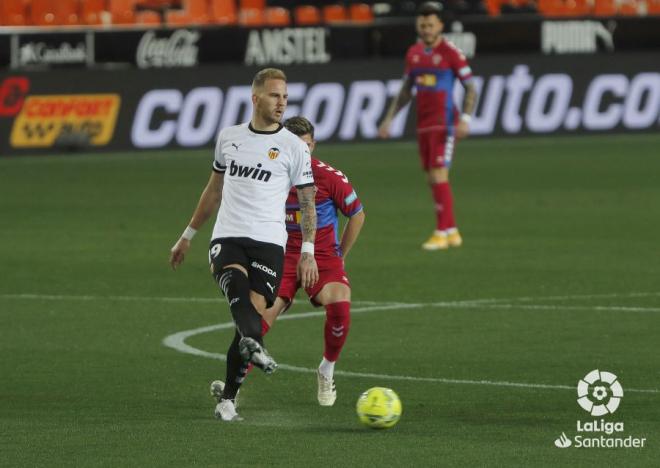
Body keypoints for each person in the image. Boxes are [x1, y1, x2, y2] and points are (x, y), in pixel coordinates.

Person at [169, 68, 318, 422]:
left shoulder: (295, 148)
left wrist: (308, 252)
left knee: (247, 318)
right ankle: (258, 347)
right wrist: (187, 235)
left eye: (284, 96)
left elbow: (308, 202)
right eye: (274, 95)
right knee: (233, 283)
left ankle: (228, 398)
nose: (281, 102)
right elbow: (213, 191)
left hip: (269, 243)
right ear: (255, 98)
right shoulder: (229, 137)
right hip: (228, 235)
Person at [210, 116, 365, 408]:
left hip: (321, 256)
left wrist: (338, 256)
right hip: (279, 253)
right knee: (256, 321)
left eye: (307, 147)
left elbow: (357, 214)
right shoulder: (272, 173)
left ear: (313, 145)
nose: (302, 153)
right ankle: (234, 387)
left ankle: (326, 369)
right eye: (297, 147)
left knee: (340, 306)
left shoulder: (329, 177)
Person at [378, 1, 478, 251]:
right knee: (432, 178)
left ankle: (441, 232)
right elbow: (405, 91)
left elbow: (471, 87)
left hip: (444, 123)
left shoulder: (450, 52)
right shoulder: (413, 53)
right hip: (423, 124)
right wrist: (390, 118)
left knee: (438, 174)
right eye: (422, 24)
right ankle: (453, 230)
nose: (426, 29)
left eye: (430, 24)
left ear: (440, 25)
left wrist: (465, 119)